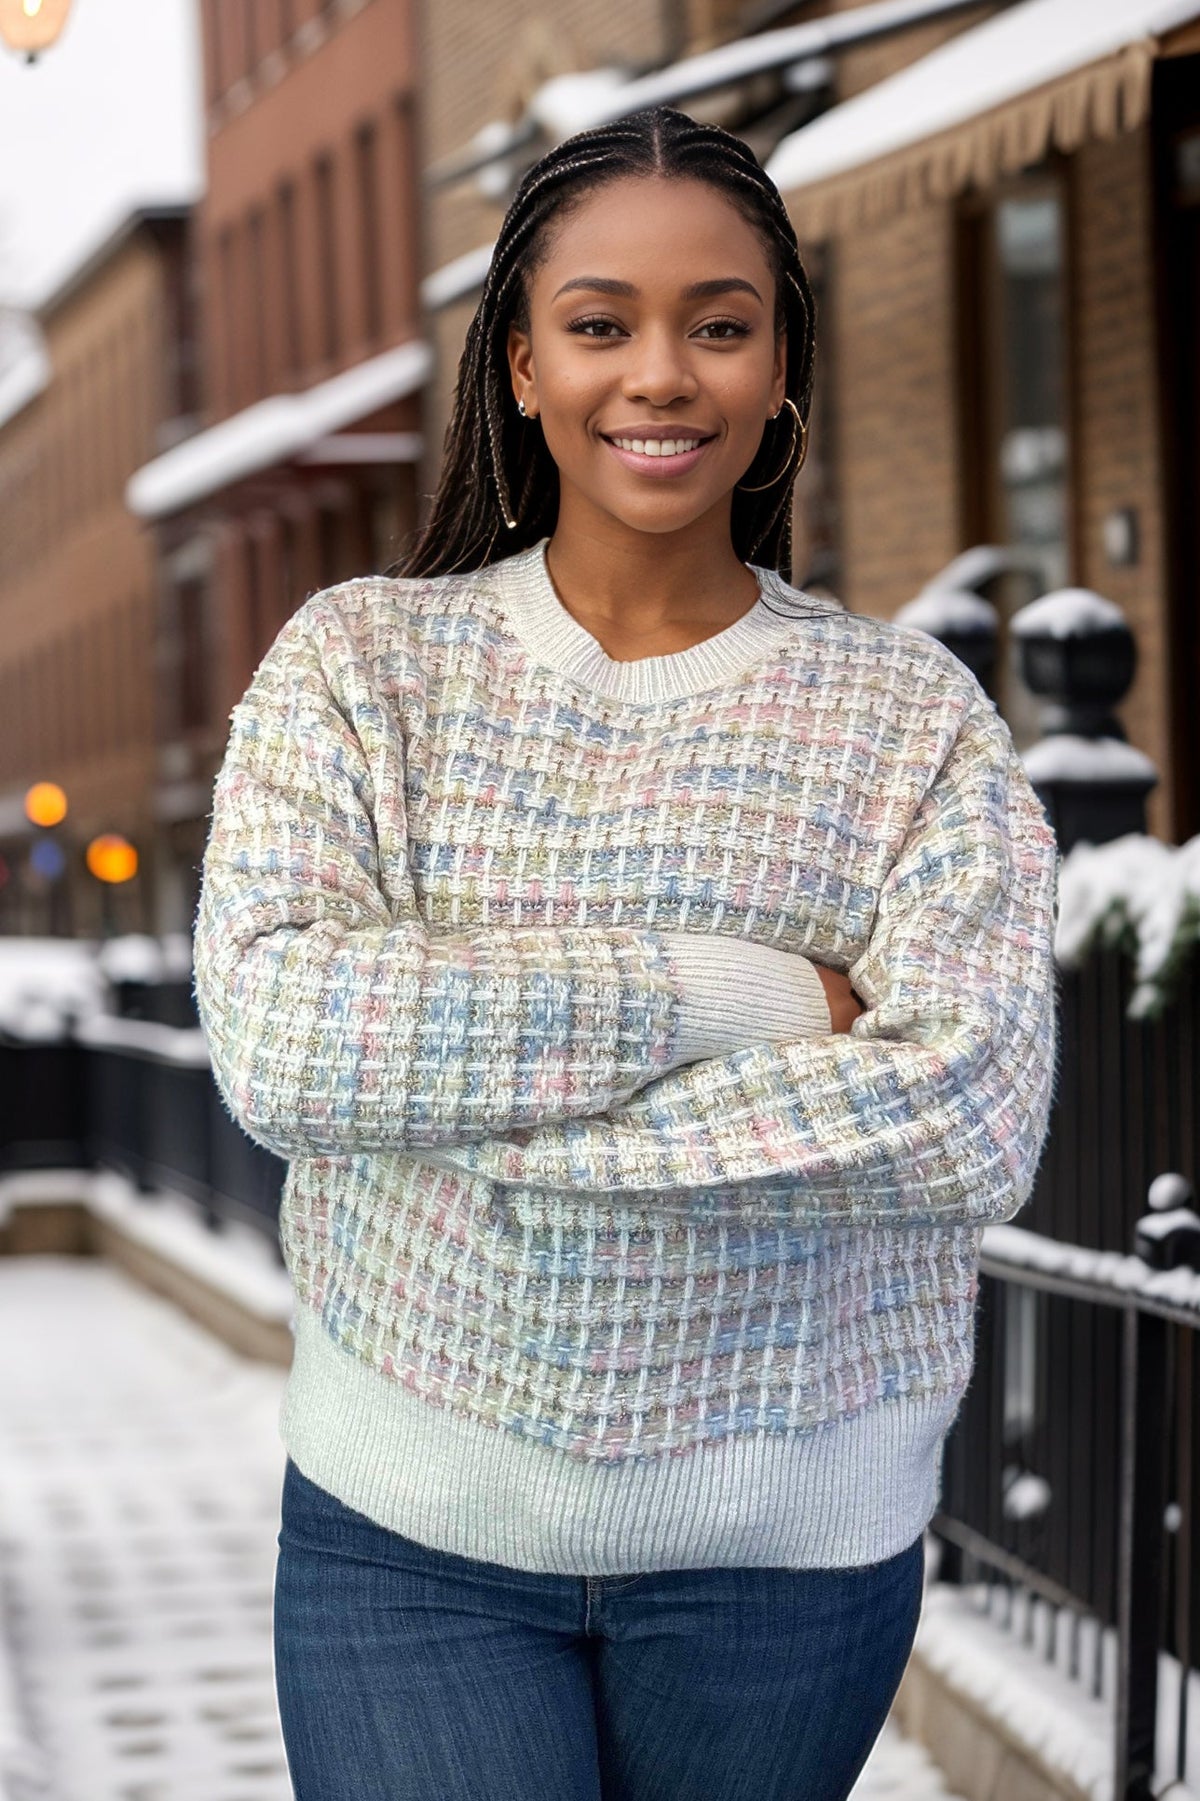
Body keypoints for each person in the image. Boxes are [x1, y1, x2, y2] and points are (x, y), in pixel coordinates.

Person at [192, 105, 1060, 1801]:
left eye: (718, 325)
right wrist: (742, 996)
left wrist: (491, 1121)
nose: (658, 373)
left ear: (782, 365)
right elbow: (291, 1044)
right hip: (412, 1527)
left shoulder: (913, 720)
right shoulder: (363, 668)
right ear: (521, 364)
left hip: (789, 1541)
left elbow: (968, 1117)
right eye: (601, 325)